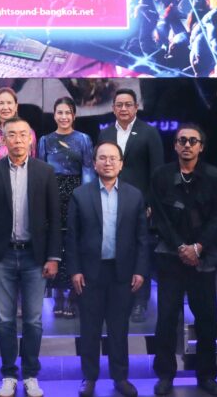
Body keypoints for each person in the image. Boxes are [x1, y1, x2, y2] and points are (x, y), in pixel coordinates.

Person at [0, 117, 61, 397]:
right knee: (5, 320)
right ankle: (9, 375)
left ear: (30, 138)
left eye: (23, 134)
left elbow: (55, 218)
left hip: (35, 257)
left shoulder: (45, 172)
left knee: (34, 320)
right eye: (11, 134)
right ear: (4, 140)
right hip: (2, 256)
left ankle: (31, 375)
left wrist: (53, 257)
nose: (17, 140)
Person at [67, 141, 152, 397]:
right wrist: (74, 270)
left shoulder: (134, 195)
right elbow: (71, 237)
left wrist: (140, 270)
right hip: (89, 273)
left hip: (122, 273)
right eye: (102, 158)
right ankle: (89, 378)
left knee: (119, 329)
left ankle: (120, 378)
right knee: (89, 329)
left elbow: (142, 238)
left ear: (121, 164)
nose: (108, 162)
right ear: (94, 164)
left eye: (113, 158)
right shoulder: (80, 195)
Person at [148, 124, 217, 396]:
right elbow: (160, 216)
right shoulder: (161, 175)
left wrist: (198, 247)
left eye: (193, 141)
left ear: (201, 147)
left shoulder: (213, 176)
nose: (187, 145)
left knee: (207, 320)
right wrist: (181, 247)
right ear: (175, 145)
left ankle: (206, 375)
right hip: (171, 256)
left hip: (203, 257)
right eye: (182, 140)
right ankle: (165, 375)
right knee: (166, 319)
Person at [97, 87, 164, 322]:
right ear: (113, 108)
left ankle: (140, 301)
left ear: (136, 107)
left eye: (128, 104)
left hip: (139, 204)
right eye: (119, 105)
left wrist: (151, 203)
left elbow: (157, 173)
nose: (123, 108)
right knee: (113, 249)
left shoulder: (149, 133)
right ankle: (116, 299)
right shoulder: (105, 134)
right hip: (109, 201)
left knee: (139, 251)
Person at [37, 96, 94, 318]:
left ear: (74, 115)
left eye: (67, 112)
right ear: (54, 115)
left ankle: (73, 295)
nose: (63, 117)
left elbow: (88, 170)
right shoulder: (45, 140)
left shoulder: (83, 139)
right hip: (52, 193)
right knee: (55, 244)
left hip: (77, 193)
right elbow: (41, 172)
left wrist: (84, 199)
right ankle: (58, 296)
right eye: (59, 112)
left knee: (74, 243)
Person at [0, 87, 36, 179]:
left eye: (9, 103)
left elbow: (33, 163)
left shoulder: (28, 132)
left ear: (16, 106)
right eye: (1, 103)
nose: (5, 107)